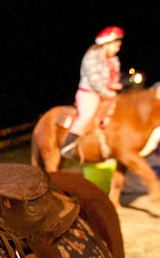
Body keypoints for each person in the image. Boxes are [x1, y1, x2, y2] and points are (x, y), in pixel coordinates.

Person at [60, 26, 125, 160]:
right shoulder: (92, 57)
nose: (117, 49)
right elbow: (94, 79)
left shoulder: (114, 60)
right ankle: (68, 145)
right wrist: (106, 91)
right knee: (87, 114)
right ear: (106, 44)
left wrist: (115, 85)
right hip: (90, 93)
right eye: (115, 46)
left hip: (108, 93)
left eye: (118, 46)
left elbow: (113, 78)